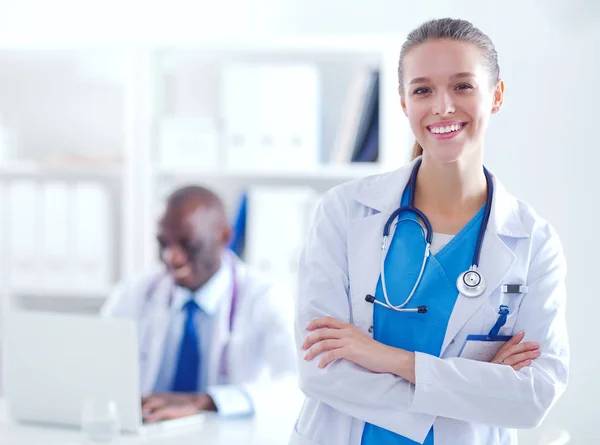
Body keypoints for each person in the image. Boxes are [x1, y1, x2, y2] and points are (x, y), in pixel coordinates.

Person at [292, 18, 569, 445]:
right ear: (403, 102)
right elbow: (320, 368)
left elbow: (534, 395)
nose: (442, 107)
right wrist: (476, 386)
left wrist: (386, 359)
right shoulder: (345, 213)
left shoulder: (533, 241)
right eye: (422, 90)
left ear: (495, 96)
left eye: (462, 86)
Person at [101, 185, 297, 422]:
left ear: (225, 237)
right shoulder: (135, 292)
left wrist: (205, 401)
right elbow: (96, 365)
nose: (173, 258)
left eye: (189, 244)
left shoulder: (266, 298)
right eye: (164, 244)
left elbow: (296, 387)